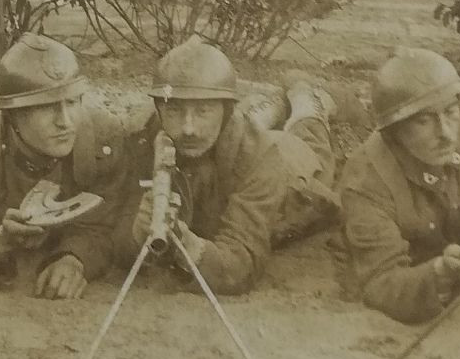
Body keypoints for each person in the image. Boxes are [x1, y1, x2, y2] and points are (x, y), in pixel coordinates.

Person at [330, 48, 460, 324]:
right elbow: (382, 284)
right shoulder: (366, 182)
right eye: (424, 120)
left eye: (451, 113)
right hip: (425, 262)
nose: (445, 133)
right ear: (394, 130)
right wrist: (440, 272)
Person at [0, 33, 127, 299]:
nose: (65, 122)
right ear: (12, 114)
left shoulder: (103, 141)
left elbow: (106, 226)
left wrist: (75, 259)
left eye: (72, 102)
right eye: (47, 107)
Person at [112, 37, 315, 296]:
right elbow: (114, 232)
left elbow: (241, 264)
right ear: (159, 110)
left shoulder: (262, 157)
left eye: (204, 111)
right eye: (174, 111)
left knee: (308, 135)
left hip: (296, 173)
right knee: (244, 126)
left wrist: (188, 245)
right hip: (234, 135)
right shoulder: (142, 138)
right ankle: (271, 105)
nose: (188, 128)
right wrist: (135, 231)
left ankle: (305, 98)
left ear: (226, 111)